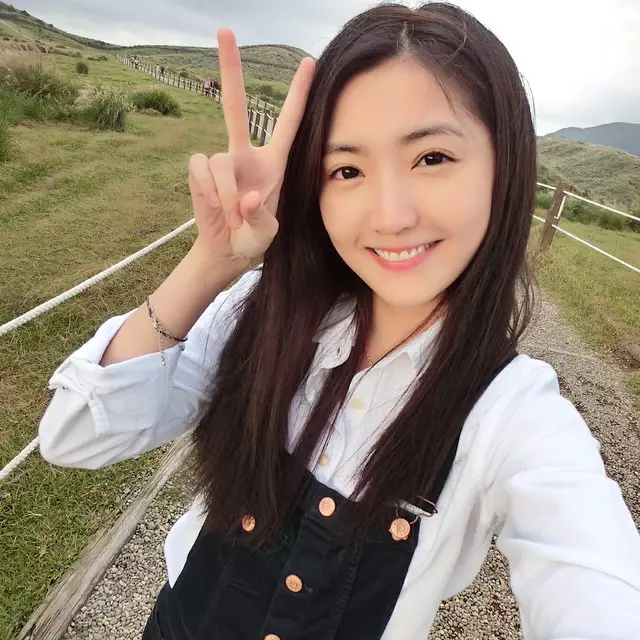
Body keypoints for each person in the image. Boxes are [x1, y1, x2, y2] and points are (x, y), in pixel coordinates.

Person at [38, 4, 640, 639]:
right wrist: (211, 261)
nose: (391, 216)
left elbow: (597, 582)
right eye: (347, 170)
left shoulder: (513, 414)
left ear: (505, 167)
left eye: (432, 158)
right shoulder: (264, 312)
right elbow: (74, 435)